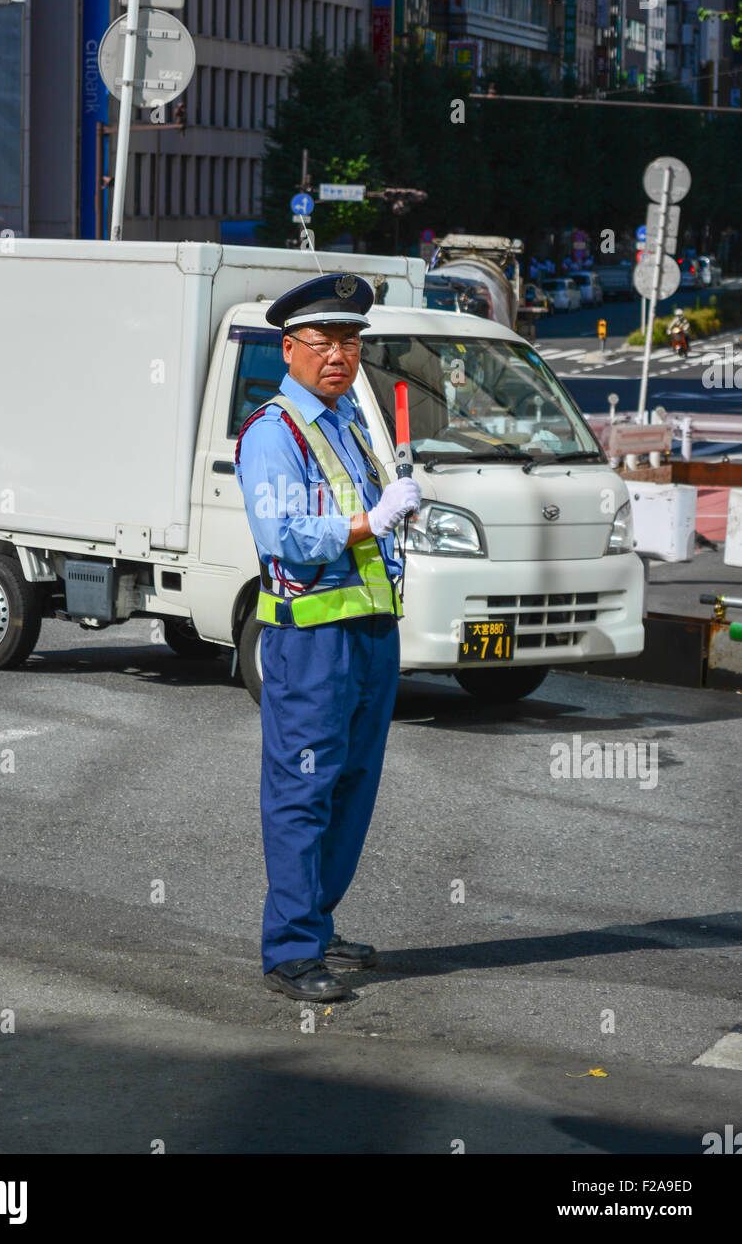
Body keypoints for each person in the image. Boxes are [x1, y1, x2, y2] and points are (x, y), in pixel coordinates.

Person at [235, 272, 421, 1002]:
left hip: (370, 631)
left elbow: (367, 518)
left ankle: (315, 920)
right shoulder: (273, 431)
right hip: (311, 640)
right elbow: (282, 534)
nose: (340, 354)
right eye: (325, 341)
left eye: (350, 340)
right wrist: (369, 522)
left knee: (351, 787)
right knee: (302, 792)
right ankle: (289, 951)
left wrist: (394, 511)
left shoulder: (344, 421)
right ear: (290, 348)